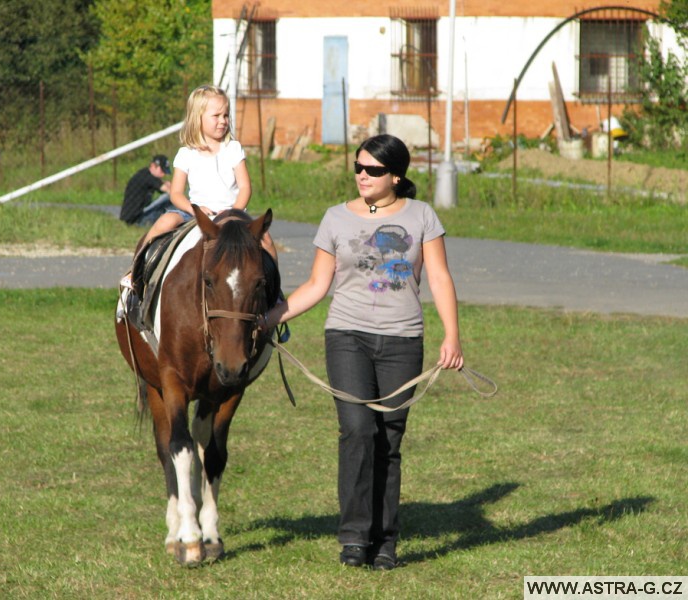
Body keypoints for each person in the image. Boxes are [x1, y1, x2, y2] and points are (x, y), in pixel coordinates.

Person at [259, 134, 464, 571]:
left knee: (388, 438)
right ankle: (354, 537)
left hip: (403, 340)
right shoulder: (335, 218)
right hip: (347, 337)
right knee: (357, 430)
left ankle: (385, 541)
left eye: (372, 170)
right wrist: (268, 320)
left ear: (396, 176)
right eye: (358, 167)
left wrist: (453, 336)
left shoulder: (422, 216)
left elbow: (441, 278)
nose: (362, 176)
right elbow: (318, 285)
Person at [140, 84, 277, 262]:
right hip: (196, 213)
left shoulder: (233, 149)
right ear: (198, 118)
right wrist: (194, 210)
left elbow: (245, 187)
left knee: (265, 240)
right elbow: (175, 193)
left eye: (226, 115)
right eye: (216, 116)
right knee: (165, 222)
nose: (223, 121)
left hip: (231, 214)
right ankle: (137, 268)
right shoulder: (186, 154)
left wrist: (233, 212)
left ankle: (274, 287)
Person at [119, 155, 173, 226]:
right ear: (153, 166)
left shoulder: (145, 175)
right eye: (162, 171)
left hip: (133, 217)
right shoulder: (148, 177)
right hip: (136, 219)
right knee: (168, 202)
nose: (163, 175)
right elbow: (169, 191)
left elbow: (162, 186)